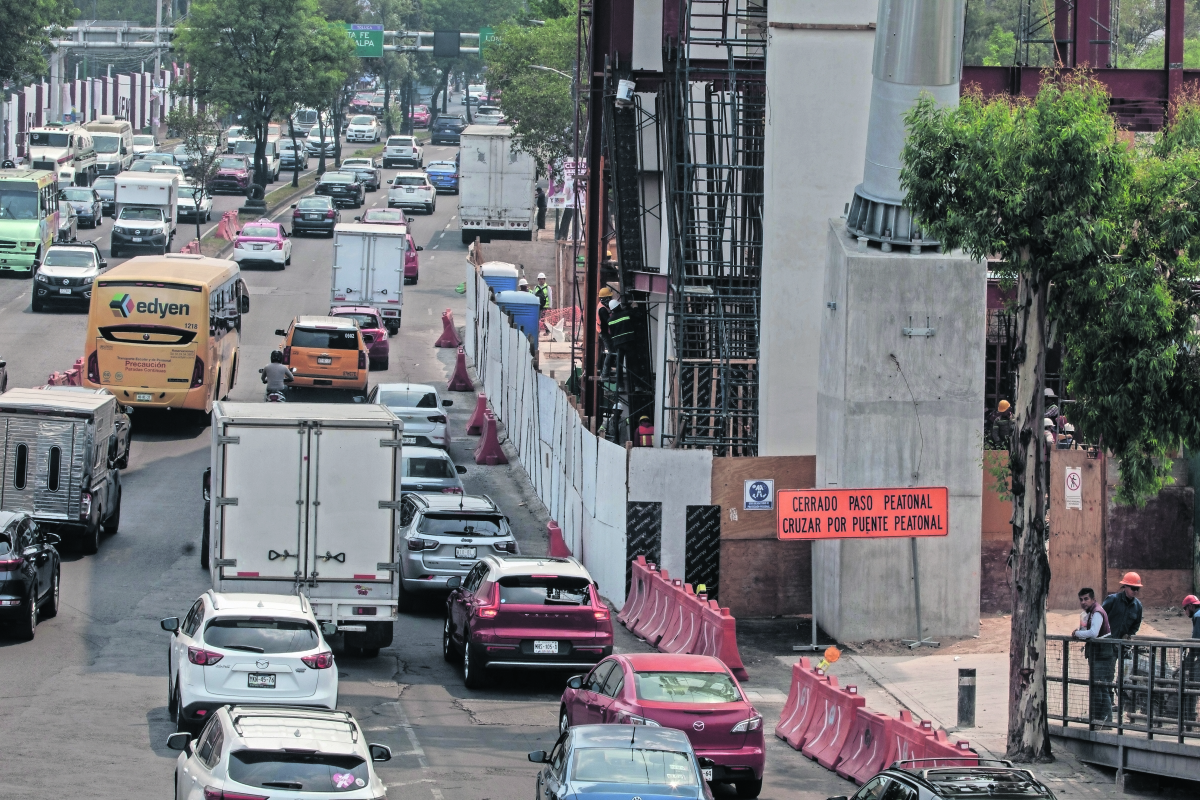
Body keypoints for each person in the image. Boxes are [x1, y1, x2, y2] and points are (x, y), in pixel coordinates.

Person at [1074, 587, 1115, 723]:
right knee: (1098, 686)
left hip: (1103, 654)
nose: (1083, 602)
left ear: (1093, 599)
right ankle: (1098, 718)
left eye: (1086, 599)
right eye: (1081, 599)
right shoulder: (1089, 613)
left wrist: (1077, 634)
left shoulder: (1097, 612)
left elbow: (1093, 633)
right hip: (1097, 653)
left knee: (1101, 687)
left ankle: (1105, 720)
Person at [1103, 572, 1144, 641]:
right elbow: (1099, 616)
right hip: (1106, 641)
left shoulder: (1138, 606)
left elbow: (1136, 625)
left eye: (1137, 589)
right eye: (1133, 588)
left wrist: (1128, 635)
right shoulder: (1112, 600)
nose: (1135, 591)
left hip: (1123, 644)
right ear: (1125, 586)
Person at [1183, 594, 1200, 728]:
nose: (1185, 612)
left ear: (1190, 606)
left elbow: (1195, 642)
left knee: (1192, 687)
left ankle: (1189, 722)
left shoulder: (1198, 617)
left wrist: (1186, 664)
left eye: (1185, 609)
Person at [598, 286, 614, 377]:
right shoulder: (602, 309)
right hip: (604, 332)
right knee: (611, 351)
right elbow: (609, 321)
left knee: (611, 350)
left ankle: (605, 368)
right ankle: (604, 372)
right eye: (609, 298)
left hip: (604, 331)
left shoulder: (602, 306)